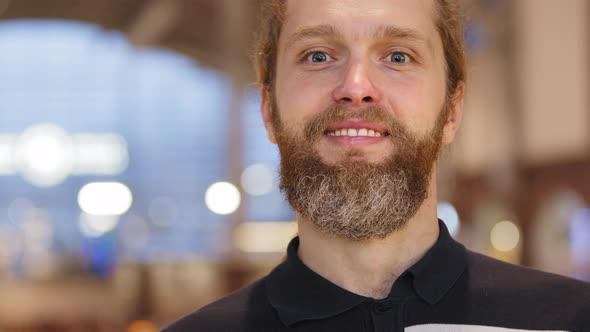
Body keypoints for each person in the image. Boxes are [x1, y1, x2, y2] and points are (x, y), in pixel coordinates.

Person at [164, 0, 590, 331]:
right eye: (317, 56)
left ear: (453, 110)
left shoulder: (568, 321)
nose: (355, 87)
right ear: (269, 110)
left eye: (398, 56)